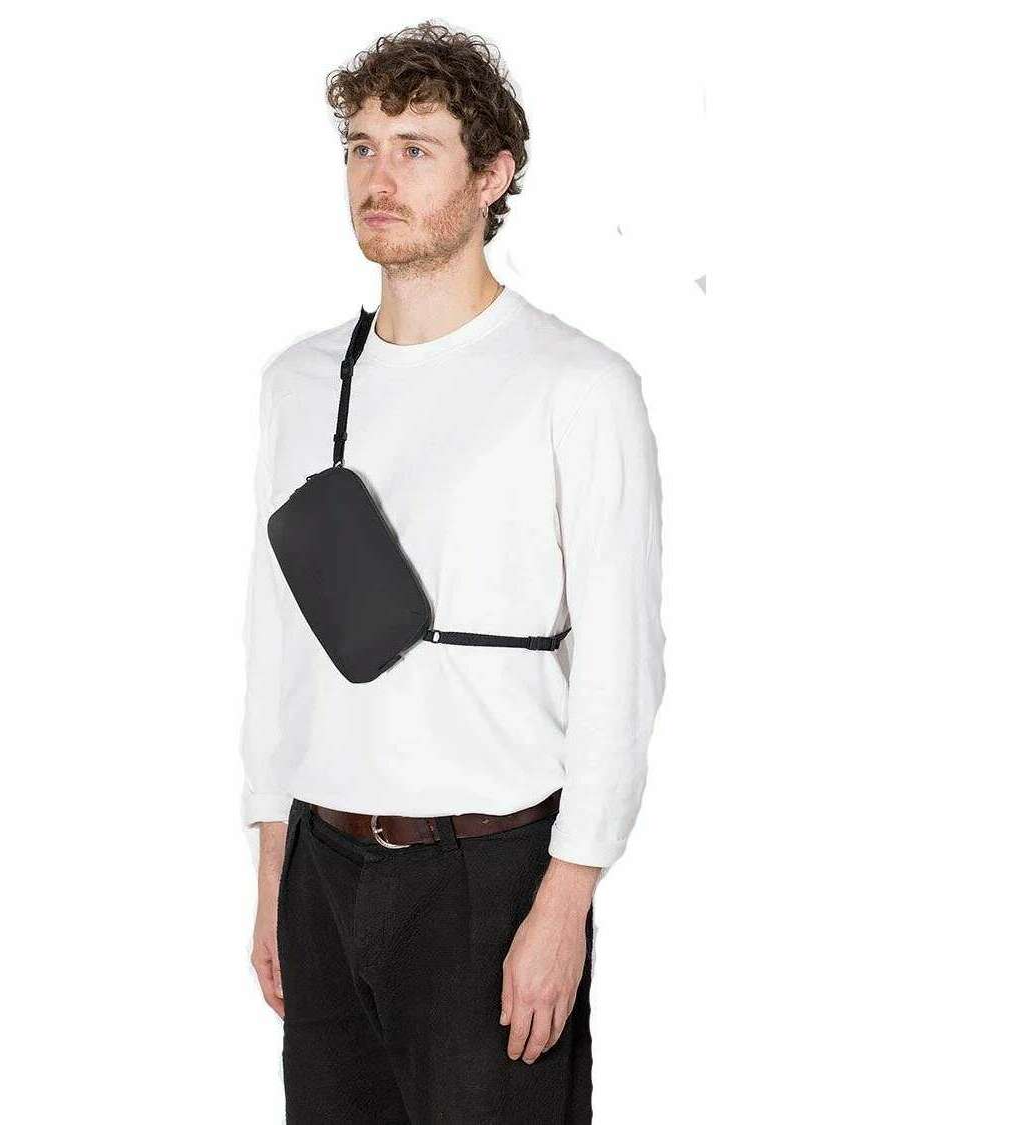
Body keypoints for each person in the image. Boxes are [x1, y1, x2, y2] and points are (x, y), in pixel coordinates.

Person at [239, 21, 666, 1123]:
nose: (376, 178)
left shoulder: (576, 384)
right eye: (360, 146)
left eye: (415, 148)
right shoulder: (299, 383)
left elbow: (620, 662)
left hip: (487, 876)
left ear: (492, 175)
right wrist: (272, 865)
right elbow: (277, 637)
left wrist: (565, 898)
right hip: (321, 864)